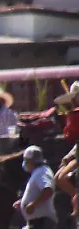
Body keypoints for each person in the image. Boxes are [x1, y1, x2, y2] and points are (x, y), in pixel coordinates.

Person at [15, 145, 56, 229]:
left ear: (32, 161)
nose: (24, 163)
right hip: (37, 222)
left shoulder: (42, 172)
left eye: (26, 160)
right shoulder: (37, 173)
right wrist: (22, 202)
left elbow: (48, 189)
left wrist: (33, 204)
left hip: (42, 222)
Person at [51, 81, 79, 217]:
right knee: (58, 178)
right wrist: (69, 155)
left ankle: (77, 199)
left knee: (61, 178)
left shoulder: (75, 115)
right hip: (76, 152)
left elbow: (69, 135)